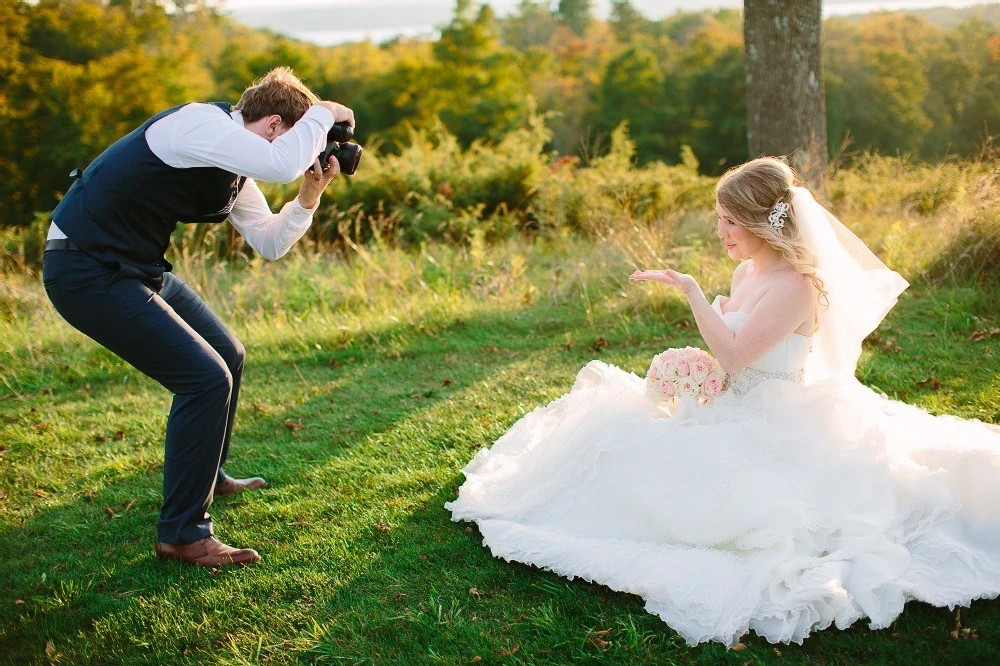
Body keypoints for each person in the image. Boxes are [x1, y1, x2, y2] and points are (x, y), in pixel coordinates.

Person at [446, 158, 1000, 646]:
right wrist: (689, 378)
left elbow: (734, 354)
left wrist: (691, 292)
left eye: (730, 220)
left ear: (765, 221)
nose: (721, 230)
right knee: (615, 434)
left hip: (776, 418)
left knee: (683, 481)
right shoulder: (745, 271)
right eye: (719, 217)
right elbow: (728, 354)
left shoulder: (796, 286)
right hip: (729, 404)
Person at [42, 67, 353, 568]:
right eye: (298, 136)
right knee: (205, 379)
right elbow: (278, 165)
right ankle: (183, 534)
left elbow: (270, 243)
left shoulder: (230, 162)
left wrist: (308, 198)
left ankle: (208, 476)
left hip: (134, 268)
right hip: (85, 267)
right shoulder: (197, 125)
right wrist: (328, 112)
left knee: (228, 354)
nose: (300, 153)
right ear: (274, 125)